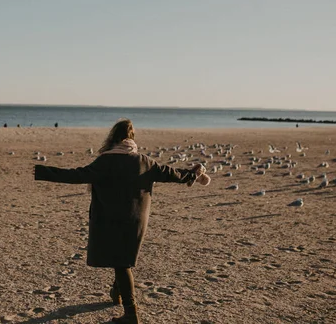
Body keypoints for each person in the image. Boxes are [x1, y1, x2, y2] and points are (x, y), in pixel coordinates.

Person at [34, 119, 211, 323]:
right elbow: (173, 174)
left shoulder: (105, 161)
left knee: (121, 263)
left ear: (113, 137)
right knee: (122, 258)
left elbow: (77, 175)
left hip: (110, 219)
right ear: (131, 138)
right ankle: (116, 293)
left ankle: (131, 313)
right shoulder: (145, 162)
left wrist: (42, 172)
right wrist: (193, 173)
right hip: (136, 220)